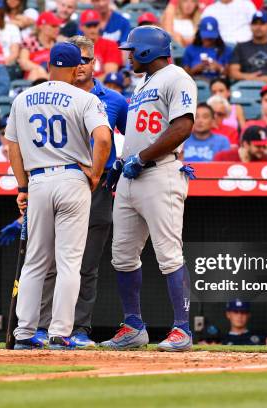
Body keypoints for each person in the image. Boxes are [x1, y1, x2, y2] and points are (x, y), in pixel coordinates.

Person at [7, 42, 112, 350]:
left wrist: (22, 187)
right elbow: (103, 138)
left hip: (38, 179)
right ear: (74, 67)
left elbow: (12, 146)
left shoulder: (23, 98)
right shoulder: (84, 97)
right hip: (72, 177)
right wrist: (95, 173)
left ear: (50, 64)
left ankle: (24, 332)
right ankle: (60, 332)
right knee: (69, 261)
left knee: (36, 261)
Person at [26, 36, 128, 348]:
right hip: (54, 180)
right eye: (76, 59)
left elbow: (130, 138)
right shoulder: (44, 98)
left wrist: (112, 171)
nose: (81, 65)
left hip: (95, 187)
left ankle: (78, 329)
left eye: (87, 59)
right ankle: (43, 327)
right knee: (48, 262)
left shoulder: (114, 101)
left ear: (94, 63)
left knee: (86, 264)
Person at [100, 26, 197, 352]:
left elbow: (183, 125)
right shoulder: (142, 85)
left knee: (169, 254)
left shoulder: (176, 77)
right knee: (123, 256)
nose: (128, 56)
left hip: (160, 173)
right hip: (131, 176)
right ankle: (134, 325)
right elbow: (141, 131)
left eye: (132, 50)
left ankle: (182, 329)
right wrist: (124, 159)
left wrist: (140, 157)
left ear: (145, 51)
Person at [229, 11, 267, 83]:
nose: (258, 27)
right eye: (255, 24)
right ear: (250, 26)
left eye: (262, 24)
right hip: (246, 86)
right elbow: (233, 72)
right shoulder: (240, 47)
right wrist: (249, 77)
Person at [79, 10, 122, 80]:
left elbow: (109, 75)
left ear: (100, 25)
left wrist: (88, 86)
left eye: (95, 25)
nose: (92, 30)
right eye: (89, 26)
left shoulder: (111, 45)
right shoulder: (74, 47)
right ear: (81, 27)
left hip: (101, 89)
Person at [18, 12, 62, 81]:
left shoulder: (58, 45)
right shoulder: (30, 42)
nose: (57, 29)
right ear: (42, 26)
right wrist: (39, 68)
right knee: (35, 72)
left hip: (52, 77)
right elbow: (23, 62)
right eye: (53, 26)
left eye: (58, 26)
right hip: (33, 77)